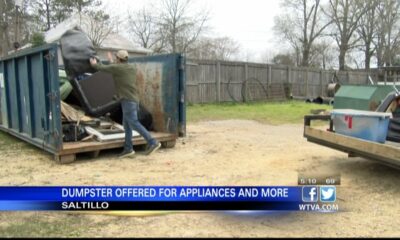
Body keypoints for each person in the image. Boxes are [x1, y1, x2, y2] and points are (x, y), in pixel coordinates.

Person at [89, 50, 161, 158]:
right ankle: (128, 149)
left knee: (133, 123)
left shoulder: (118, 68)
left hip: (128, 100)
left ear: (118, 59)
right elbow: (116, 68)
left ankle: (152, 142)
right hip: (132, 99)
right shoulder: (130, 67)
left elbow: (102, 68)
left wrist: (94, 64)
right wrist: (111, 61)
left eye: (116, 58)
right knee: (127, 125)